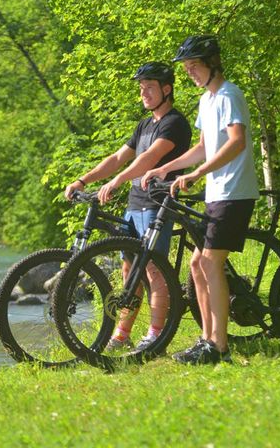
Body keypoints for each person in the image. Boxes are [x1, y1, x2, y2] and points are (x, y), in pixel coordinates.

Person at [141, 35, 259, 364]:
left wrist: (196, 174)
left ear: (212, 64)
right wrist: (167, 167)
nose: (189, 72)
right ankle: (207, 339)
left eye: (194, 66)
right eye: (187, 67)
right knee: (196, 265)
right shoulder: (207, 100)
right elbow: (203, 148)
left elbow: (236, 143)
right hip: (217, 192)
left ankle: (219, 347)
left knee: (208, 263)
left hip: (234, 192)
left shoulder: (229, 95)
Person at [65, 62, 191, 352]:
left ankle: (156, 335)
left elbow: (148, 160)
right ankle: (122, 336)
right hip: (135, 205)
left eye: (149, 87)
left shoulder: (174, 123)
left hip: (157, 205)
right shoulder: (144, 124)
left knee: (153, 270)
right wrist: (83, 180)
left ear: (167, 89)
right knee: (129, 269)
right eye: (141, 88)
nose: (143, 93)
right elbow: (118, 157)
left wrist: (118, 181)